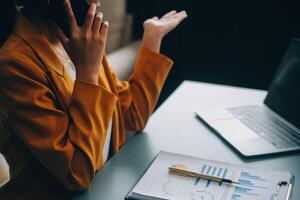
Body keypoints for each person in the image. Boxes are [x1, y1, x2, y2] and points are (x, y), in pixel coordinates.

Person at [0, 0, 187, 199]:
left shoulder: (81, 39)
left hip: (106, 186)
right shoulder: (15, 64)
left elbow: (133, 115)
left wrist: (152, 37)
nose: (98, 2)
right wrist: (87, 73)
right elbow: (77, 173)